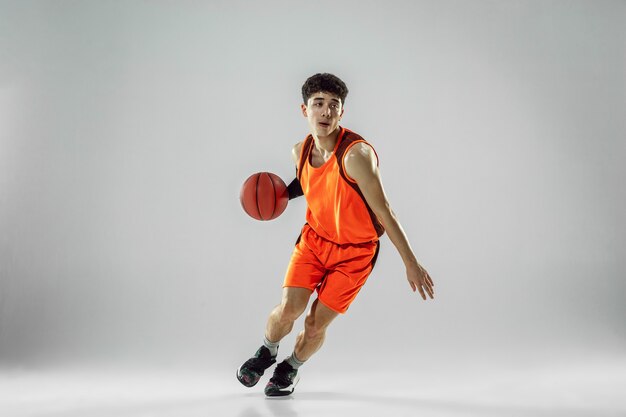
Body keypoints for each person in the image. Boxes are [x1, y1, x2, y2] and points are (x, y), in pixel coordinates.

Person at [236, 73, 434, 397]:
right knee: (289, 309)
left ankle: (291, 368)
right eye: (318, 104)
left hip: (355, 253)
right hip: (314, 241)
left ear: (342, 112)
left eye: (333, 105)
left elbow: (384, 210)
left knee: (314, 324)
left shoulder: (356, 156)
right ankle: (266, 351)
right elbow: (311, 181)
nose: (326, 112)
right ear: (304, 110)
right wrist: (277, 196)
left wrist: (410, 263)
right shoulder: (299, 151)